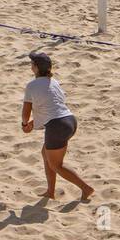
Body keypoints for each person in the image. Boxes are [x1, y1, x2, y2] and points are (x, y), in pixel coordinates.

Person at [22, 52, 93, 202]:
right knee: (46, 154)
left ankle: (85, 188)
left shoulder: (32, 85)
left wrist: (25, 124)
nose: (31, 65)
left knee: (57, 165)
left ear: (35, 67)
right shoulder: (53, 82)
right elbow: (51, 107)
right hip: (70, 121)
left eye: (32, 63)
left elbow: (26, 112)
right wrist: (33, 123)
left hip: (57, 126)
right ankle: (50, 191)